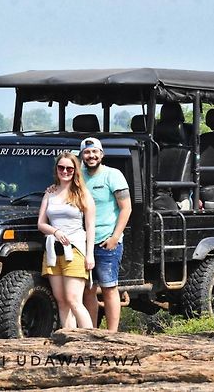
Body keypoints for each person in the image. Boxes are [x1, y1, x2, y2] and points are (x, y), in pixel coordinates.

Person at [38, 152, 95, 329]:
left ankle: (91, 341)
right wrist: (55, 231)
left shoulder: (82, 194)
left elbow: (91, 226)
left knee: (74, 300)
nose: (65, 171)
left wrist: (90, 255)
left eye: (69, 168)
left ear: (75, 170)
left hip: (75, 249)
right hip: (53, 251)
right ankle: (69, 341)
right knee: (62, 301)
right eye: (61, 167)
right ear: (56, 169)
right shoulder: (50, 193)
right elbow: (41, 223)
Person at [80, 137, 132, 333]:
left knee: (109, 288)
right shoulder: (78, 175)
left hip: (106, 241)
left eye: (95, 152)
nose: (91, 156)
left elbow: (126, 208)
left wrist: (114, 237)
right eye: (87, 152)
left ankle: (112, 334)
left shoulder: (113, 175)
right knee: (88, 289)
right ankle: (90, 331)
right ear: (82, 155)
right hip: (83, 242)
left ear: (101, 154)